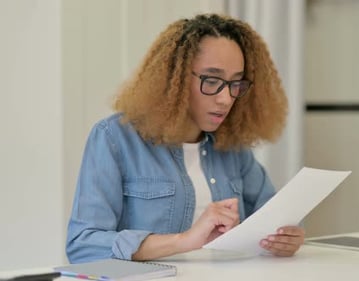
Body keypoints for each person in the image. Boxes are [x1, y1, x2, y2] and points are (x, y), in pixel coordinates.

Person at [65, 13, 305, 264]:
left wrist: (285, 237)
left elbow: (273, 215)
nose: (226, 99)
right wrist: (184, 240)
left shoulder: (232, 145)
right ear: (174, 79)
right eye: (212, 81)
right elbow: (83, 245)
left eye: (236, 84)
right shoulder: (115, 139)